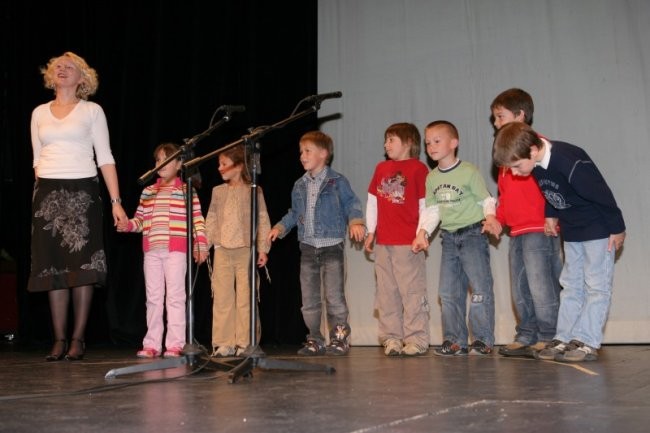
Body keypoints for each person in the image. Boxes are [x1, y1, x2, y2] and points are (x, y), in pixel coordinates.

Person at [492, 122, 626, 362]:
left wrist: (617, 228)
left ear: (532, 151)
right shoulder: (537, 165)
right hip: (573, 231)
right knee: (571, 284)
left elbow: (601, 193)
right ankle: (564, 337)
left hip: (598, 229)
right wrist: (551, 213)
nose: (513, 172)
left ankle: (586, 341)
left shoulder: (568, 160)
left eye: (516, 166)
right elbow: (550, 191)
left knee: (596, 286)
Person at [29, 51, 128, 361]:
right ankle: (58, 339)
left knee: (81, 268)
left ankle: (78, 339)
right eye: (58, 65)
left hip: (82, 191)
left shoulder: (92, 111)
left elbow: (106, 158)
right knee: (52, 267)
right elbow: (36, 159)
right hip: (47, 193)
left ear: (82, 78)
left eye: (69, 66)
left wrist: (116, 202)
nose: (62, 69)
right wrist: (43, 191)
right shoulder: (39, 113)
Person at [268, 131, 365, 356]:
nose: (302, 156)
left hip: (332, 247)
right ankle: (315, 338)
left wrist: (356, 222)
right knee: (309, 300)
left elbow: (352, 204)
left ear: (323, 154)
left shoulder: (337, 181)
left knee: (334, 297)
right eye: (301, 152)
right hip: (308, 248)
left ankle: (340, 339)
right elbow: (294, 213)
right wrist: (280, 227)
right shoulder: (299, 185)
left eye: (307, 151)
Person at [482, 88, 562, 358]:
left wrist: (552, 213)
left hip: (540, 229)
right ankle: (526, 334)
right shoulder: (506, 157)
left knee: (542, 285)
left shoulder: (536, 146)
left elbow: (554, 184)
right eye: (494, 118)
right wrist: (498, 220)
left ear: (520, 115)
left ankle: (550, 335)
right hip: (517, 232)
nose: (496, 123)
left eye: (500, 116)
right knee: (521, 287)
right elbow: (505, 196)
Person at [412, 120, 497, 356]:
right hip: (449, 238)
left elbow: (486, 199)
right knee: (448, 292)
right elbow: (432, 210)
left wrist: (490, 218)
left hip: (472, 235)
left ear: (454, 143)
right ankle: (454, 340)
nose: (431, 146)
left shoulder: (469, 171)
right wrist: (422, 233)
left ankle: (482, 339)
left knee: (479, 289)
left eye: (437, 141)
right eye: (427, 142)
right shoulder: (432, 178)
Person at [117, 142, 208, 358]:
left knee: (175, 297)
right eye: (158, 160)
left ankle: (175, 343)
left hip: (176, 251)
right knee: (153, 298)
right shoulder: (148, 191)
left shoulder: (186, 190)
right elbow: (140, 221)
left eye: (166, 159)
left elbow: (197, 219)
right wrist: (127, 225)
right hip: (152, 252)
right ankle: (152, 344)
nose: (160, 163)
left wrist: (200, 244)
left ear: (179, 163)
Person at [365, 122, 430, 357]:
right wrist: (371, 231)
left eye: (391, 140)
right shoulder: (381, 168)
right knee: (386, 292)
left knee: (412, 292)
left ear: (409, 143)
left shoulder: (418, 169)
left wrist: (422, 233)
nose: (386, 144)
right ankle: (391, 338)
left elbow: (425, 205)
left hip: (408, 243)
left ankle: (417, 338)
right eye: (386, 140)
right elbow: (373, 201)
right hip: (384, 243)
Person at [205, 144, 271, 357]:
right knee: (222, 297)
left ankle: (245, 341)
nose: (219, 168)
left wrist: (262, 247)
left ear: (239, 165)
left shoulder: (254, 190)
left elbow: (262, 218)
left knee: (246, 297)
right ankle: (224, 342)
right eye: (219, 164)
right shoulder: (217, 191)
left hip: (246, 250)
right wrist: (204, 246)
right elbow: (211, 220)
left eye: (224, 164)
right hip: (222, 250)